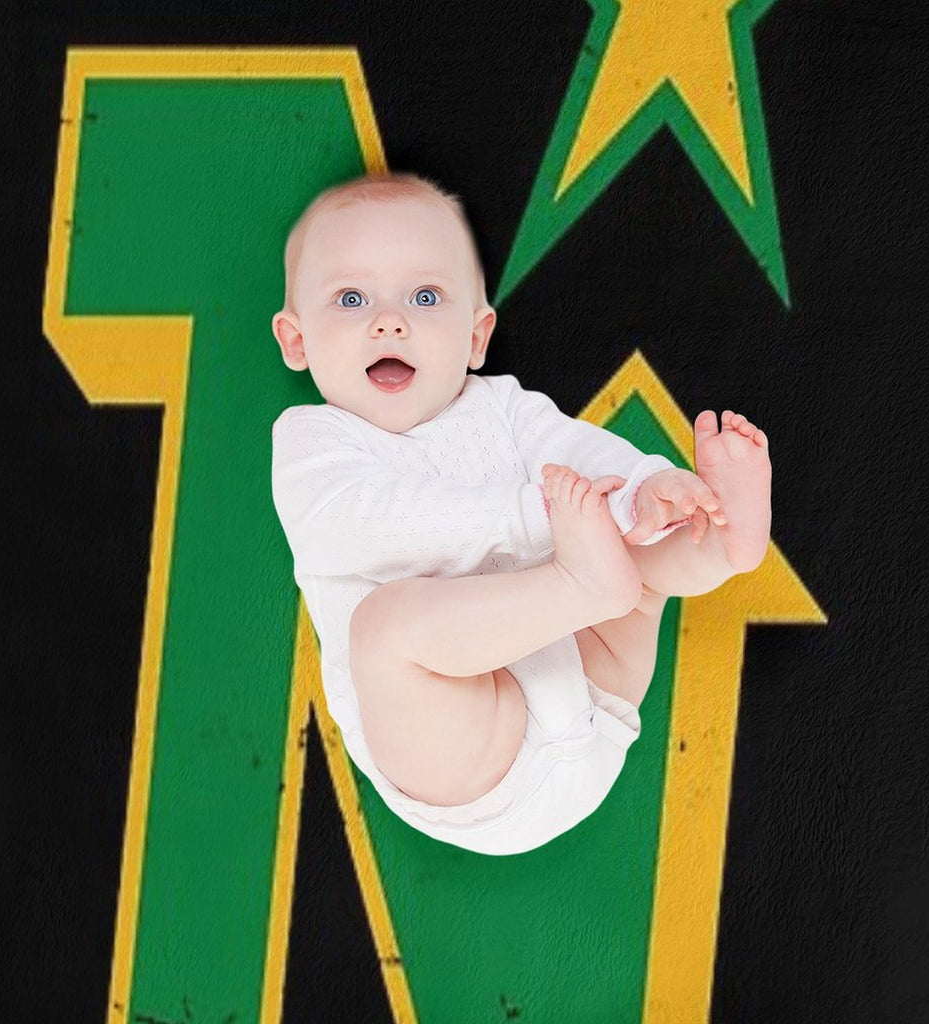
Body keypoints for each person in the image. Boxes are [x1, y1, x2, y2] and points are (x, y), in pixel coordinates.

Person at [270, 172, 771, 855]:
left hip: (593, 686)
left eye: (425, 297)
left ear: (476, 338)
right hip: (470, 754)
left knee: (636, 547)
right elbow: (368, 524)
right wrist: (538, 515)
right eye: (351, 298)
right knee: (384, 627)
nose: (390, 321)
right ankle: (588, 583)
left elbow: (580, 453)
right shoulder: (314, 442)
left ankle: (716, 541)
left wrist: (645, 488)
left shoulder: (502, 406)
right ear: (297, 341)